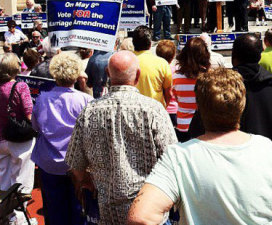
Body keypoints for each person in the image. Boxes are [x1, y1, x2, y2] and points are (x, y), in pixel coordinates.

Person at [127, 68, 272, 225]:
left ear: (199, 106)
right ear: (242, 105)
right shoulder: (266, 148)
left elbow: (140, 217)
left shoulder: (179, 156)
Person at [66, 51, 177, 225]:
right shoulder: (153, 110)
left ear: (108, 74)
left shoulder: (89, 112)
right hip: (147, 211)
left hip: (105, 212)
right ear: (138, 75)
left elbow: (76, 166)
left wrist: (86, 180)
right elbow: (173, 160)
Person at [31, 52, 93, 225]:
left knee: (53, 209)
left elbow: (35, 127)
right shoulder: (85, 100)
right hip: (76, 165)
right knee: (78, 210)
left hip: (49, 163)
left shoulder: (42, 99)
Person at [231, 34, 272, 159]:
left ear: (234, 57)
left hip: (238, 162)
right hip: (270, 160)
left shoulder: (226, 87)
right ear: (260, 56)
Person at [0, 53, 36, 225]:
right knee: (22, 181)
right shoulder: (20, 86)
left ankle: (5, 217)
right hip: (20, 140)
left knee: (3, 182)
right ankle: (19, 220)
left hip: (1, 139)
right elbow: (30, 115)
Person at [172, 37, 210, 139]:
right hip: (203, 126)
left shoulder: (176, 77)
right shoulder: (209, 78)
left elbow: (176, 98)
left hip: (182, 124)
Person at [132, 26, 172, 107]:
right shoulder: (162, 64)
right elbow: (168, 93)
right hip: (156, 111)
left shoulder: (125, 61)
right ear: (150, 44)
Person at [155, 40, 178, 127]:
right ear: (173, 56)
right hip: (174, 110)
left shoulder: (156, 71)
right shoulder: (177, 71)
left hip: (160, 109)